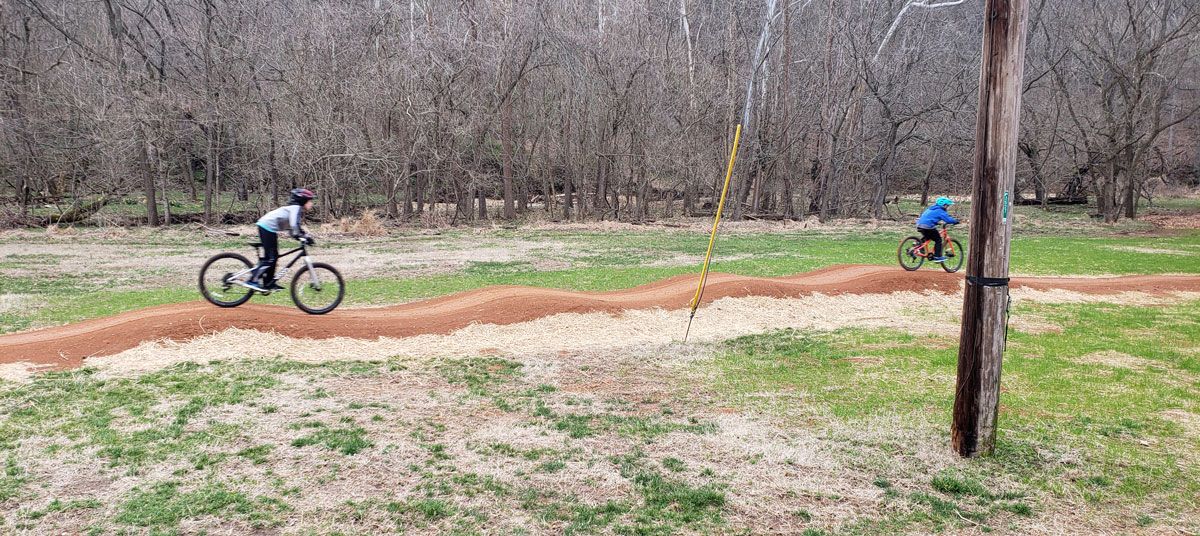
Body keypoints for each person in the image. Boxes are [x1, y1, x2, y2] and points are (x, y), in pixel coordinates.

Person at [248, 188, 316, 291]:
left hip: (269, 228)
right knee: (271, 258)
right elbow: (294, 226)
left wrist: (302, 236)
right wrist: (304, 237)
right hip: (266, 227)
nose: (311, 204)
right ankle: (252, 280)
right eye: (310, 201)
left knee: (274, 257)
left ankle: (269, 283)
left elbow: (293, 230)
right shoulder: (295, 208)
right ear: (303, 201)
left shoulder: (296, 210)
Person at [915, 196, 959, 262]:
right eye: (947, 206)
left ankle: (918, 245)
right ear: (944, 205)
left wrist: (935, 222)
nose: (947, 207)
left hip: (919, 225)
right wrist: (955, 221)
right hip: (928, 226)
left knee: (928, 236)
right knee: (938, 239)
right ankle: (937, 256)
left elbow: (928, 217)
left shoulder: (930, 208)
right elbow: (948, 220)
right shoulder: (940, 211)